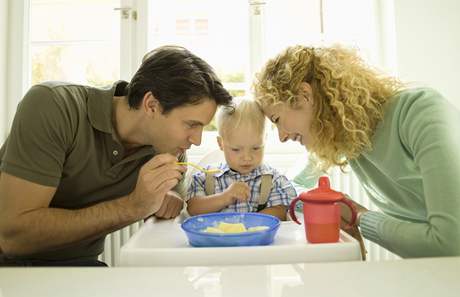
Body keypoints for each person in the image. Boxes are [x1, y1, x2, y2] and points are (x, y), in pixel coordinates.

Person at [0, 45, 233, 266]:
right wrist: (133, 206)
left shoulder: (169, 151)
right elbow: (12, 238)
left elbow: (163, 221)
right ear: (151, 105)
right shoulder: (54, 106)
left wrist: (166, 202)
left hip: (80, 268)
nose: (197, 139)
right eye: (191, 124)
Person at [254, 45, 460, 258]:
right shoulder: (346, 135)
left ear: (305, 96)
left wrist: (357, 215)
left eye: (277, 120)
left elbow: (450, 243)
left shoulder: (419, 112)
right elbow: (289, 189)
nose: (281, 137)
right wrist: (329, 206)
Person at [186, 99, 296, 221]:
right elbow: (193, 209)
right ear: (221, 143)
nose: (247, 157)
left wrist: (248, 223)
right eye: (236, 149)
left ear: (265, 140)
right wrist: (224, 197)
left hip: (257, 239)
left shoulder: (273, 180)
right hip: (216, 239)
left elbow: (280, 210)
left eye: (255, 148)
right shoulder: (206, 178)